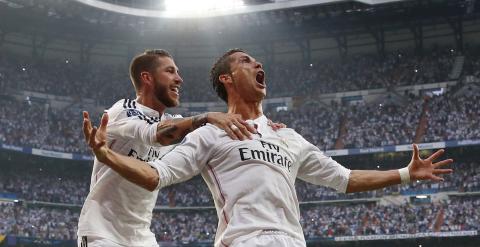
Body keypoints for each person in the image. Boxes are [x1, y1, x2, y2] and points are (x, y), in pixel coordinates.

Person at [83, 49, 453, 247]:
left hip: (293, 241)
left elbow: (345, 178)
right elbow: (156, 174)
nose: (258, 64)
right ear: (227, 79)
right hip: (242, 241)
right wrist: (106, 154)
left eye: (257, 61)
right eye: (246, 61)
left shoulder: (287, 136)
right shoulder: (206, 133)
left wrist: (405, 173)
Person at [77, 49, 263, 247]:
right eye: (170, 71)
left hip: (142, 237)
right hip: (102, 232)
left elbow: (211, 135)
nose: (179, 79)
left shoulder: (173, 122)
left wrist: (269, 128)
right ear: (147, 77)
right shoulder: (123, 109)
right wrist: (207, 116)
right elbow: (155, 135)